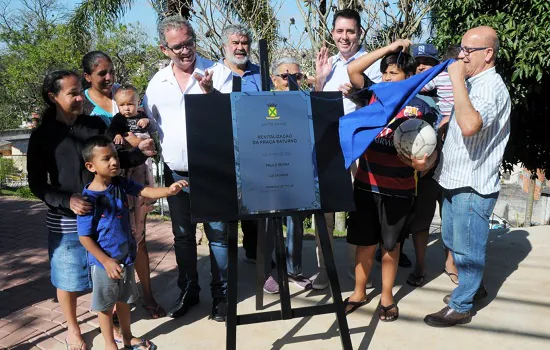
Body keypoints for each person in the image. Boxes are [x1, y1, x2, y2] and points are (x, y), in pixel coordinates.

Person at [27, 70, 156, 350]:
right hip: (66, 219)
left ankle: (120, 331)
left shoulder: (94, 125)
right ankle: (73, 328)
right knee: (68, 277)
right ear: (53, 97)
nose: (79, 98)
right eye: (72, 93)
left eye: (80, 91)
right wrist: (67, 200)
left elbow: (115, 157)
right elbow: (36, 183)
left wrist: (140, 153)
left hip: (108, 216)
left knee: (114, 277)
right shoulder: (42, 136)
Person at [143, 15, 234, 322]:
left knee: (219, 237)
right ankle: (189, 291)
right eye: (177, 46)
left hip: (212, 171)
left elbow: (233, 118)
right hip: (176, 175)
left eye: (189, 43)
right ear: (164, 49)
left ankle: (222, 297)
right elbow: (154, 128)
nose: (185, 51)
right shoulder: (156, 83)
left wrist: (210, 93)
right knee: (182, 237)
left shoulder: (218, 71)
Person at [344, 39, 437, 321]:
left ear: (408, 77)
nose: (386, 77)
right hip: (366, 183)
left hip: (400, 189)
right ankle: (359, 292)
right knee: (364, 244)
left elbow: (432, 149)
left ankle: (386, 297)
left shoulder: (422, 106)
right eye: (385, 72)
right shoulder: (373, 95)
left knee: (390, 245)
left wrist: (424, 163)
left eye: (393, 73)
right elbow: (353, 70)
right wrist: (389, 49)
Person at [424, 26, 511, 327]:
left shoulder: (491, 86)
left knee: (468, 249)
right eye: (461, 49)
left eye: (468, 51)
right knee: (452, 240)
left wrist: (457, 81)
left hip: (472, 185)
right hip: (454, 179)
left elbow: (471, 124)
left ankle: (462, 306)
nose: (461, 56)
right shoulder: (475, 83)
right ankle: (475, 289)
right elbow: (464, 117)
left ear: (488, 54)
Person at [77, 136, 187, 350]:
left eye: (115, 156)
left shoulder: (120, 183)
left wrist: (169, 191)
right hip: (104, 265)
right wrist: (106, 261)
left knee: (125, 302)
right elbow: (84, 237)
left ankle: (127, 339)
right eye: (106, 158)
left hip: (126, 258)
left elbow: (144, 191)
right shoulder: (88, 199)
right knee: (106, 307)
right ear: (91, 166)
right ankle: (110, 344)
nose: (114, 162)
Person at [312, 9, 389, 290]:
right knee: (325, 212)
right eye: (340, 31)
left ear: (360, 33)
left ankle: (359, 273)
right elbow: (315, 107)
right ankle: (324, 271)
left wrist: (360, 94)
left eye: (351, 31)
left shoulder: (372, 65)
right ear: (333, 33)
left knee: (361, 210)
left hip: (362, 147)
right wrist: (319, 81)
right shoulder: (327, 64)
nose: (345, 37)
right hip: (329, 147)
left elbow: (382, 106)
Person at [106, 85, 164, 318]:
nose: (127, 108)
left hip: (140, 175)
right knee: (114, 238)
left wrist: (143, 129)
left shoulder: (142, 116)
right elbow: (115, 138)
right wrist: (131, 141)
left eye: (131, 103)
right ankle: (116, 300)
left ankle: (146, 293)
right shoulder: (116, 119)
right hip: (117, 180)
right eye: (123, 105)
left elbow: (151, 141)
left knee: (139, 236)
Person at [261, 57, 312, 294]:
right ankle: (269, 272)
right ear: (273, 79)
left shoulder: (306, 102)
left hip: (297, 170)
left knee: (295, 223)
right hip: (269, 171)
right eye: (285, 76)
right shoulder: (263, 102)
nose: (290, 80)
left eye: (296, 76)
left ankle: (294, 270)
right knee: (271, 225)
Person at [218, 24, 263, 263]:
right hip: (224, 152)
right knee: (226, 210)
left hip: (256, 152)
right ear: (224, 46)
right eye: (235, 43)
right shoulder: (214, 74)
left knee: (254, 209)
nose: (239, 47)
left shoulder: (260, 73)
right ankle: (225, 260)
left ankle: (256, 255)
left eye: (244, 43)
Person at [82, 51, 119, 126]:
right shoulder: (82, 104)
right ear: (87, 77)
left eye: (112, 72)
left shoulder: (123, 93)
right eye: (102, 74)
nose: (109, 77)